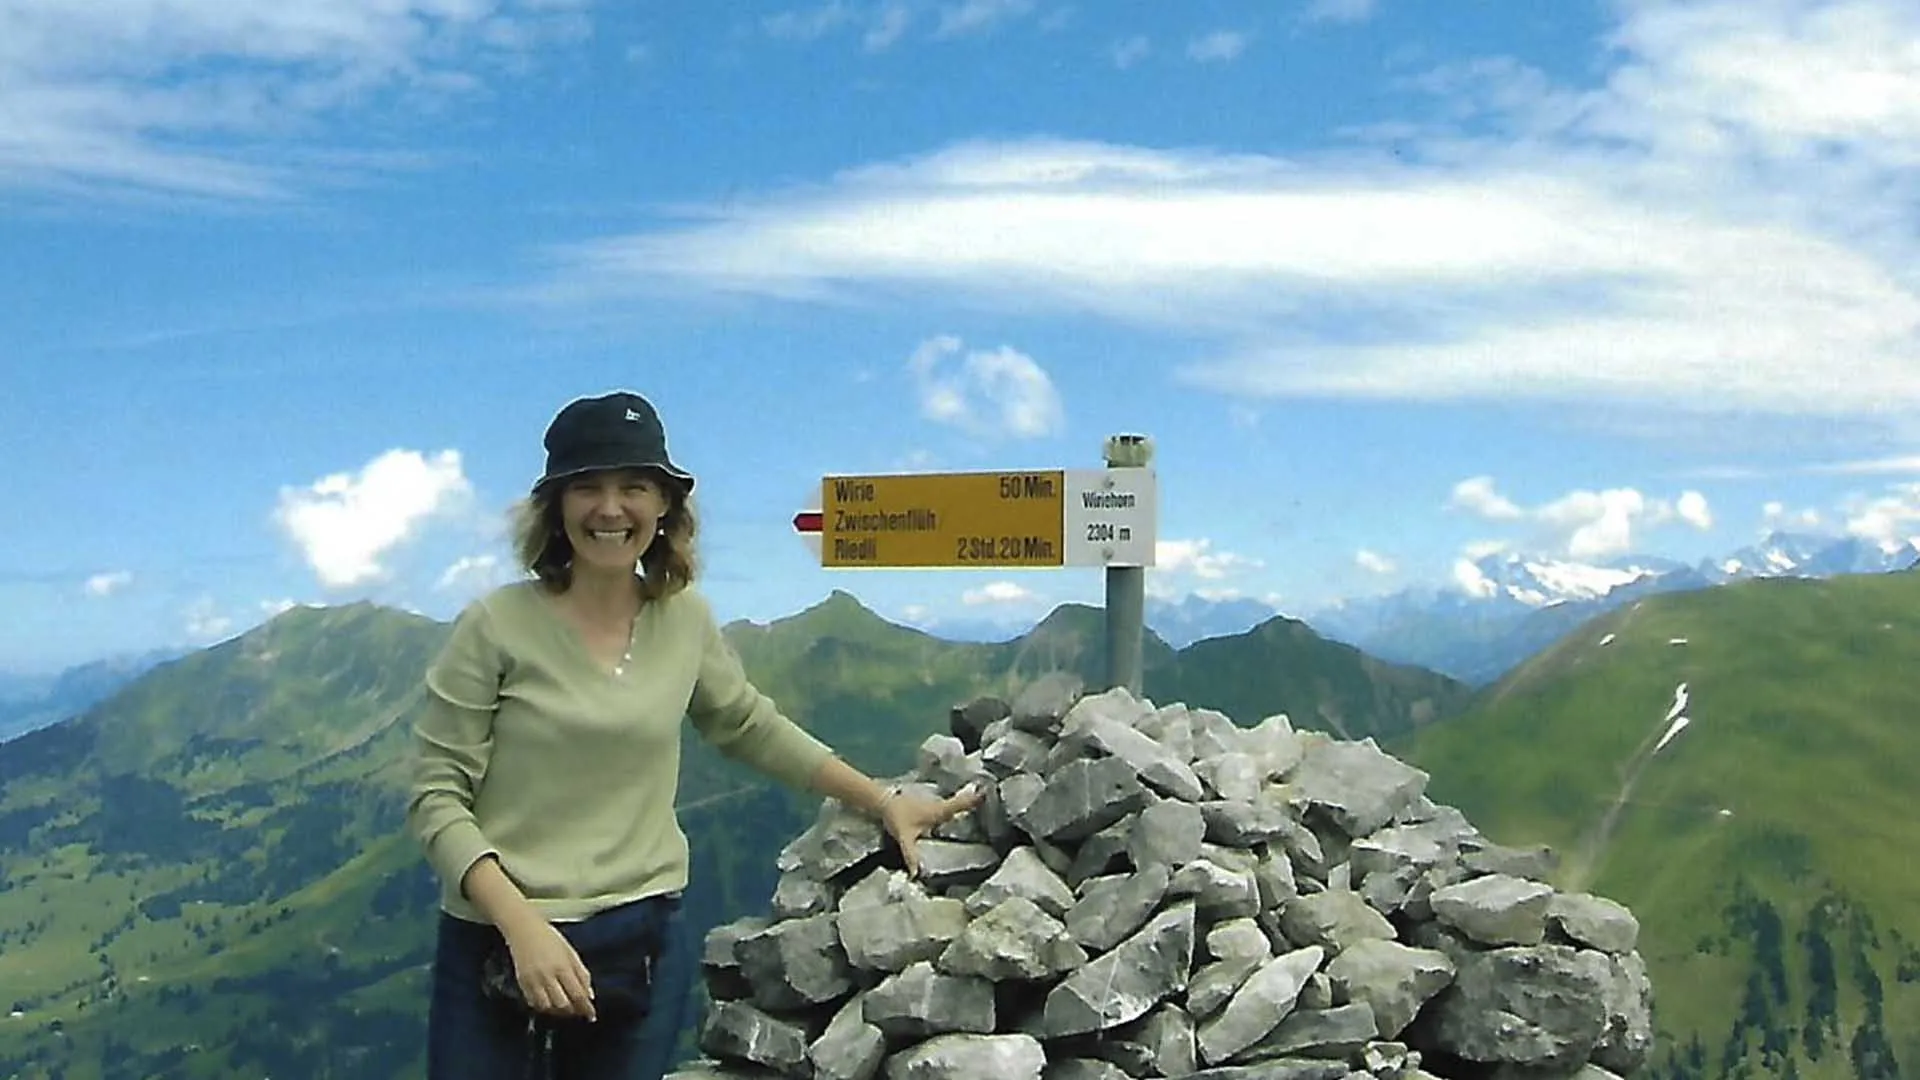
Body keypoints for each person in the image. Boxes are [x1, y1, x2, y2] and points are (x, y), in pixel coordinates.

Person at [405, 390, 984, 1080]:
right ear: (556, 507)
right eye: (587, 487)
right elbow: (436, 797)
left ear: (665, 507)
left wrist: (884, 799)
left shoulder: (684, 620)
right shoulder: (494, 627)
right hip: (496, 941)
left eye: (634, 487)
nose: (611, 508)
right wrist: (521, 924)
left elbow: (746, 723)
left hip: (638, 943)